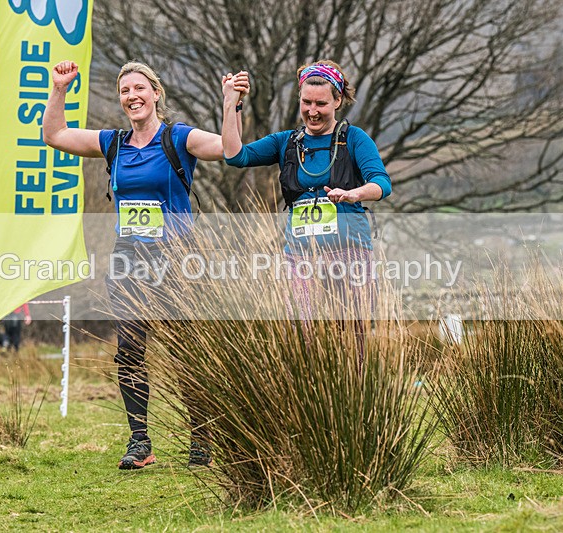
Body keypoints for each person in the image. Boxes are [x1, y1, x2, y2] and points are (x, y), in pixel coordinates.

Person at [43, 60, 249, 470]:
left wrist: (231, 105)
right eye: (124, 91)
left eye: (139, 88)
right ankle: (140, 442)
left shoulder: (179, 138)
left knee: (188, 353)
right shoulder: (114, 143)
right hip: (128, 259)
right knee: (130, 351)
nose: (132, 96)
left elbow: (230, 151)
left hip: (176, 259)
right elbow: (56, 135)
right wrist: (60, 89)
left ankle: (201, 439)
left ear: (156, 93)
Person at [221, 60, 391, 353]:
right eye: (306, 102)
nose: (312, 111)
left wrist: (353, 194)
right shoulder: (286, 142)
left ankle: (352, 394)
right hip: (300, 255)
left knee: (351, 336)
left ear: (337, 101)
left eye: (321, 104)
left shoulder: (354, 139)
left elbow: (381, 184)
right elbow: (236, 156)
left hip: (348, 250)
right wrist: (231, 104)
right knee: (303, 335)